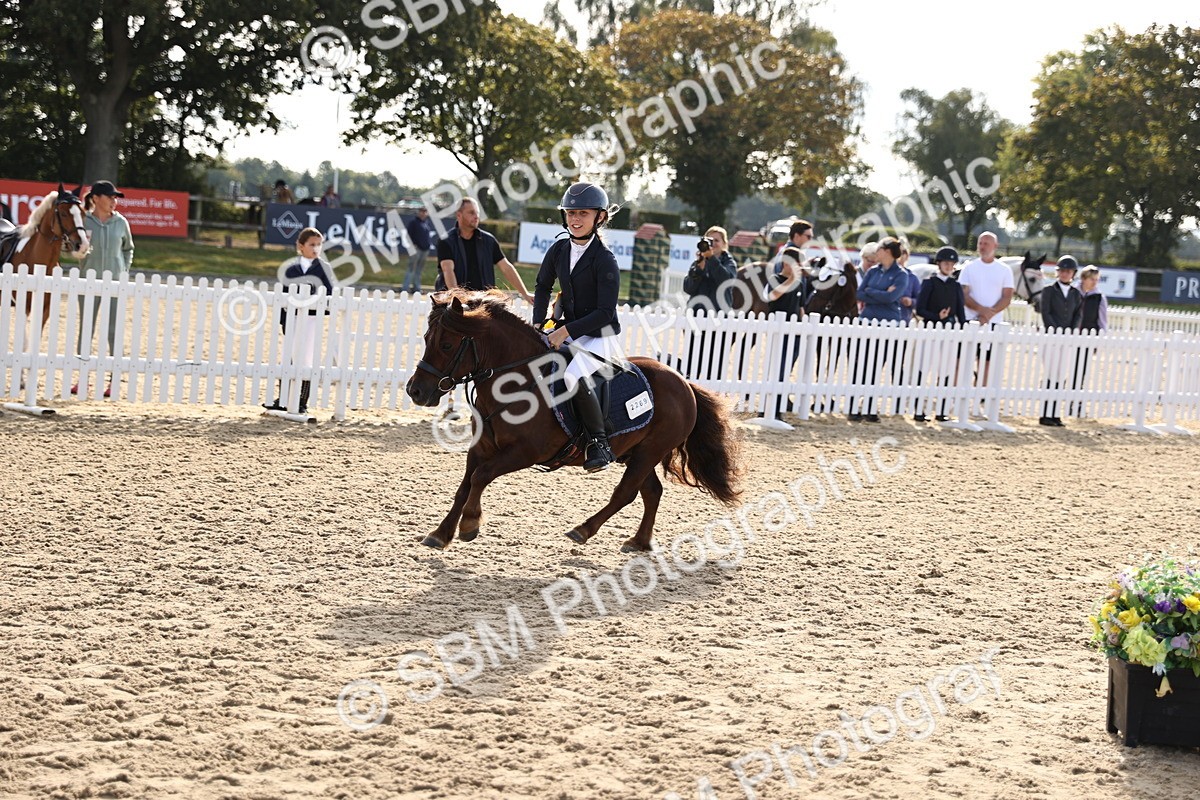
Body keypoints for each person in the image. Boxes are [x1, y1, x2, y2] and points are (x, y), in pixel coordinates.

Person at [532, 183, 623, 472]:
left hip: (599, 333)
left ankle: (599, 443)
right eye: (571, 212)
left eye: (583, 213)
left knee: (572, 375)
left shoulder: (604, 259)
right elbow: (543, 285)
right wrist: (538, 321)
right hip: (568, 327)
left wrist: (564, 332)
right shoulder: (559, 249)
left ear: (600, 218)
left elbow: (605, 312)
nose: (575, 219)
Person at [72, 180, 134, 398]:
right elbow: (71, 246)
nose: (114, 201)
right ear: (96, 198)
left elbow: (129, 249)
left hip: (115, 284)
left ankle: (113, 382)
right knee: (85, 331)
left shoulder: (121, 222)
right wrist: (78, 256)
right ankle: (82, 380)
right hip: (88, 283)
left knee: (113, 332)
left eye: (116, 197)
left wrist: (123, 269)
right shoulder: (83, 221)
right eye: (110, 197)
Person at [263, 227, 334, 415]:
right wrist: (283, 320)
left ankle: (302, 401)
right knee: (288, 358)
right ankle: (282, 399)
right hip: (292, 318)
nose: (316, 248)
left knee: (306, 360)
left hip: (312, 320)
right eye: (312, 245)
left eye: (319, 245)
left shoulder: (324, 268)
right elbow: (282, 295)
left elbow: (329, 295)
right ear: (301, 246)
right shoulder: (290, 267)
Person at [850, 237, 906, 422]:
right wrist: (882, 294)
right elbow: (859, 293)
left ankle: (870, 407)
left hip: (888, 323)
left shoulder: (901, 275)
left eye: (880, 249)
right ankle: (854, 407)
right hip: (867, 320)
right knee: (861, 364)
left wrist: (872, 294)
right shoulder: (873, 271)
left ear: (888, 252)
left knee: (876, 366)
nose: (876, 252)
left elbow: (892, 299)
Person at [435, 197, 533, 302]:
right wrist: (457, 300)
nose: (476, 216)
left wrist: (525, 293)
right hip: (452, 304)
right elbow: (448, 271)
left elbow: (506, 268)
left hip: (483, 302)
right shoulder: (446, 241)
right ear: (459, 215)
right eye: (471, 213)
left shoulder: (489, 240)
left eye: (477, 213)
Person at [763, 221, 814, 416]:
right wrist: (792, 280)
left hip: (794, 331)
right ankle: (768, 408)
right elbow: (771, 296)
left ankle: (778, 406)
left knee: (785, 370)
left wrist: (804, 327)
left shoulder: (799, 283)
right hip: (778, 331)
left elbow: (801, 308)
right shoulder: (776, 279)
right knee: (776, 367)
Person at [913, 246, 966, 422]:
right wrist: (937, 316)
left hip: (949, 332)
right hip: (930, 330)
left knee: (946, 370)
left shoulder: (956, 286)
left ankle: (942, 410)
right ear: (939, 264)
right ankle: (918, 410)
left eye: (951, 264)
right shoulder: (929, 283)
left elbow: (960, 313)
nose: (948, 266)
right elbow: (920, 309)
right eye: (945, 263)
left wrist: (963, 329)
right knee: (924, 367)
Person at [959, 231, 1014, 396]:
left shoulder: (1004, 270)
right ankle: (963, 391)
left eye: (986, 243)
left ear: (995, 246)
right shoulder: (969, 267)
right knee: (966, 359)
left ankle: (980, 394)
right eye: (980, 243)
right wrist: (981, 310)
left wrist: (989, 314)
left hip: (994, 323)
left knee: (988, 361)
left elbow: (1007, 296)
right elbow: (963, 294)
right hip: (971, 320)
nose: (982, 247)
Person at [681, 225, 737, 381]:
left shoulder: (729, 262)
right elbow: (688, 288)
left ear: (724, 244)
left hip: (719, 320)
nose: (713, 243)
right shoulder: (699, 261)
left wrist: (711, 259)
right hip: (696, 318)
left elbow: (726, 280)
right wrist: (698, 269)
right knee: (692, 364)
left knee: (715, 364)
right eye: (710, 240)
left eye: (717, 240)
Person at [1039, 255, 1083, 427]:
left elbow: (1077, 314)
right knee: (1050, 374)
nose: (1065, 274)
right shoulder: (1049, 290)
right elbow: (1045, 312)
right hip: (1051, 337)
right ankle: (1045, 414)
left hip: (1067, 339)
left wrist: (1071, 331)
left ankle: (1055, 413)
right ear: (1058, 272)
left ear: (1073, 273)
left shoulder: (1075, 293)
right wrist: (1055, 330)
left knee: (1060, 376)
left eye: (1068, 271)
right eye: (1062, 271)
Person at [1068, 264, 1109, 418]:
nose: (1094, 282)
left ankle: (1075, 402)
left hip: (1087, 338)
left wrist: (1099, 338)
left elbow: (1102, 321)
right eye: (1092, 279)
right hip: (1069, 336)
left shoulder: (1099, 298)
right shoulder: (1072, 293)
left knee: (1080, 371)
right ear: (1084, 279)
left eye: (1096, 279)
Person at [402, 206, 433, 294]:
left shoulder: (426, 223)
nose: (423, 213)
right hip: (416, 249)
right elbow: (408, 235)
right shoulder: (413, 222)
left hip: (425, 249)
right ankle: (405, 288)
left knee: (419, 269)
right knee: (411, 268)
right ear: (418, 212)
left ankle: (417, 288)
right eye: (421, 211)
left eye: (425, 211)